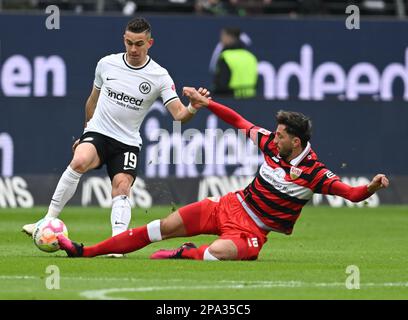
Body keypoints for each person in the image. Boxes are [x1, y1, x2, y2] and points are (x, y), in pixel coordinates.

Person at [56, 87, 389, 261]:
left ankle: (186, 253)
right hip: (229, 206)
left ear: (296, 141)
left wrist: (372, 187)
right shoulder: (271, 145)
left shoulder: (314, 173)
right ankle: (84, 250)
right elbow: (239, 120)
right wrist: (205, 104)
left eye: (281, 135)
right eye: (274, 133)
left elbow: (351, 194)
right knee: (158, 227)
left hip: (252, 234)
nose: (273, 137)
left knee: (216, 254)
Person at [22, 18, 207, 255]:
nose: (133, 49)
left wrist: (192, 107)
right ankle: (46, 220)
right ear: (124, 40)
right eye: (129, 43)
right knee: (78, 160)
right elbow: (92, 101)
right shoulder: (106, 64)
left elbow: (179, 115)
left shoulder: (159, 76)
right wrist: (86, 132)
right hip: (99, 132)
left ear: (150, 43)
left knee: (121, 186)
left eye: (139, 44)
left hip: (127, 142)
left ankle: (117, 243)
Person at [213, 27, 258, 99]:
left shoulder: (226, 56)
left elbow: (222, 84)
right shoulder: (250, 56)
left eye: (223, 36)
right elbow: (256, 82)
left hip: (231, 99)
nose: (222, 39)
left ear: (231, 38)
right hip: (251, 99)